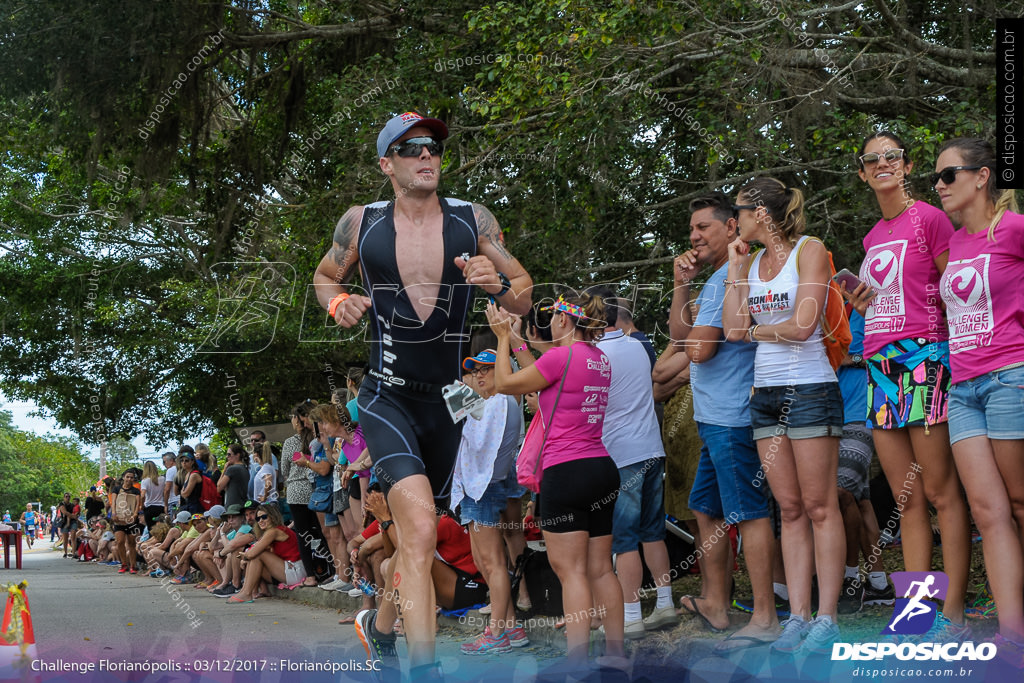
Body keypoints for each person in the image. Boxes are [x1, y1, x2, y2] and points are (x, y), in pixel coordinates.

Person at [314, 110, 533, 678]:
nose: (426, 155)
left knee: (419, 535)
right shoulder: (361, 222)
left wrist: (499, 285)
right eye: (411, 148)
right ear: (387, 164)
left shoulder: (473, 220)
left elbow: (525, 297)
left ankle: (380, 628)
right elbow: (324, 278)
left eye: (433, 146)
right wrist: (339, 304)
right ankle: (425, 668)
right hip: (386, 397)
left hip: (449, 401)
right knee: (417, 530)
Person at [843, 130, 971, 641]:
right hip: (878, 366)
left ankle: (954, 612)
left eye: (890, 157)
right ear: (862, 173)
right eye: (872, 160)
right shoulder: (874, 236)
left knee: (941, 493)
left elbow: (956, 289)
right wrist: (865, 304)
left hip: (925, 359)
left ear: (907, 165)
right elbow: (888, 298)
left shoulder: (931, 218)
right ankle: (916, 614)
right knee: (907, 496)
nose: (882, 165)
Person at [722, 178, 846, 655]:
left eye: (741, 211)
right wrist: (735, 270)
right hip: (766, 395)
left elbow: (804, 325)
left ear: (763, 214)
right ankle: (797, 616)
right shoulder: (750, 262)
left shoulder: (810, 250)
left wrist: (756, 330)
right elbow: (733, 329)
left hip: (811, 387)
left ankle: (827, 616)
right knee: (789, 510)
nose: (736, 220)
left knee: (819, 507)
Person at [486, 292, 628, 676]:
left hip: (565, 472)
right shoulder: (597, 359)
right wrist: (517, 340)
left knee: (572, 573)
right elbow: (544, 375)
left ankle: (578, 663)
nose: (548, 323)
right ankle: (616, 654)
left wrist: (501, 338)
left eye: (553, 318)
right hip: (601, 468)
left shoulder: (559, 358)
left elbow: (504, 383)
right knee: (602, 570)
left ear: (565, 320)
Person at [669, 192, 781, 651]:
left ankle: (764, 616)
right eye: (692, 229)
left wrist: (695, 333)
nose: (694, 237)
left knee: (749, 515)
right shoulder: (713, 279)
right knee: (705, 508)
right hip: (714, 416)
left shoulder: (732, 276)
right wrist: (680, 284)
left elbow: (700, 349)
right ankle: (717, 602)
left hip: (735, 416)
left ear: (731, 228)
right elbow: (681, 337)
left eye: (704, 227)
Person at [934, 137, 1024, 659]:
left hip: (1011, 377)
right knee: (988, 512)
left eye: (948, 176)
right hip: (963, 389)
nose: (940, 186)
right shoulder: (957, 243)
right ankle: (1012, 633)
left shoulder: (1012, 229)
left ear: (981, 176)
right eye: (937, 180)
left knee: (1019, 503)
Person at [593, 290, 677, 639]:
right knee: (653, 531)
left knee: (624, 538)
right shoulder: (638, 346)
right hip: (650, 447)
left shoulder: (597, 354)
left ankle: (630, 615)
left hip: (621, 454)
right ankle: (665, 604)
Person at [452, 349, 529, 654]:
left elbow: (473, 435)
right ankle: (510, 626)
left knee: (493, 563)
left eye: (487, 369)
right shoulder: (492, 401)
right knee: (486, 563)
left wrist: (458, 393)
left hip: (481, 488)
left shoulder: (501, 401)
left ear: (503, 371)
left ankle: (496, 633)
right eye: (476, 371)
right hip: (479, 488)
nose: (480, 375)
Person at [834, 309, 894, 614]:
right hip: (822, 415)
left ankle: (850, 578)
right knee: (860, 500)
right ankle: (879, 584)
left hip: (862, 412)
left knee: (842, 492)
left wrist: (849, 359)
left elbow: (890, 356)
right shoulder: (812, 308)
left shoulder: (867, 309)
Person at [280, 401, 324, 586]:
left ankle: (311, 576)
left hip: (296, 491)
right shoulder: (315, 439)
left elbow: (284, 469)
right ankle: (328, 570)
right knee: (322, 532)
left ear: (297, 419)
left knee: (303, 535)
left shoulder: (291, 442)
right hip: (315, 488)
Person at [228, 504, 306, 603]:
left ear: (273, 517)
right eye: (258, 518)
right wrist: (245, 557)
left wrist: (244, 558)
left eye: (264, 517)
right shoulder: (269, 532)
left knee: (259, 554)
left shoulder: (274, 531)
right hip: (287, 570)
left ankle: (246, 593)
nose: (261, 520)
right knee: (255, 557)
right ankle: (247, 591)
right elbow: (253, 549)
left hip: (296, 570)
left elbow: (252, 553)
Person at [110, 470, 143, 574]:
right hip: (119, 520)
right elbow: (113, 502)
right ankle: (124, 563)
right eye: (127, 477)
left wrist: (134, 515)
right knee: (120, 541)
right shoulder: (116, 489)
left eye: (131, 477)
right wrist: (114, 513)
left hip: (131, 520)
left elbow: (137, 504)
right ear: (123, 477)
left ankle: (133, 565)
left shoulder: (136, 491)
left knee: (132, 543)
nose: (129, 479)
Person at [218, 444, 250, 509]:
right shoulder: (245, 468)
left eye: (229, 454)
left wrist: (224, 469)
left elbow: (219, 487)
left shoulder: (232, 469)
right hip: (242, 504)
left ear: (237, 455)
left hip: (232, 506)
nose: (227, 457)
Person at [140, 461, 166, 530]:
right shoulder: (162, 479)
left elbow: (142, 496)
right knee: (162, 529)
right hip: (161, 506)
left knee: (151, 530)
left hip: (149, 507)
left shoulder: (145, 481)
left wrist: (142, 505)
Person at [253, 443, 279, 507]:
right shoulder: (266, 467)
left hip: (267, 504)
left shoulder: (266, 467)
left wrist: (264, 497)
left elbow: (268, 483)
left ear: (256, 454)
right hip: (266, 504)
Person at [58, 493, 80, 558]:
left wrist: (75, 516)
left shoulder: (72, 505)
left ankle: (73, 553)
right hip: (64, 522)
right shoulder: (62, 504)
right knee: (65, 538)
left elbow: (77, 512)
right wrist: (73, 516)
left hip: (73, 521)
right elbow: (65, 512)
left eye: (69, 497)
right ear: (64, 497)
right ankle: (65, 552)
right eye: (66, 496)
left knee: (73, 536)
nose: (68, 498)